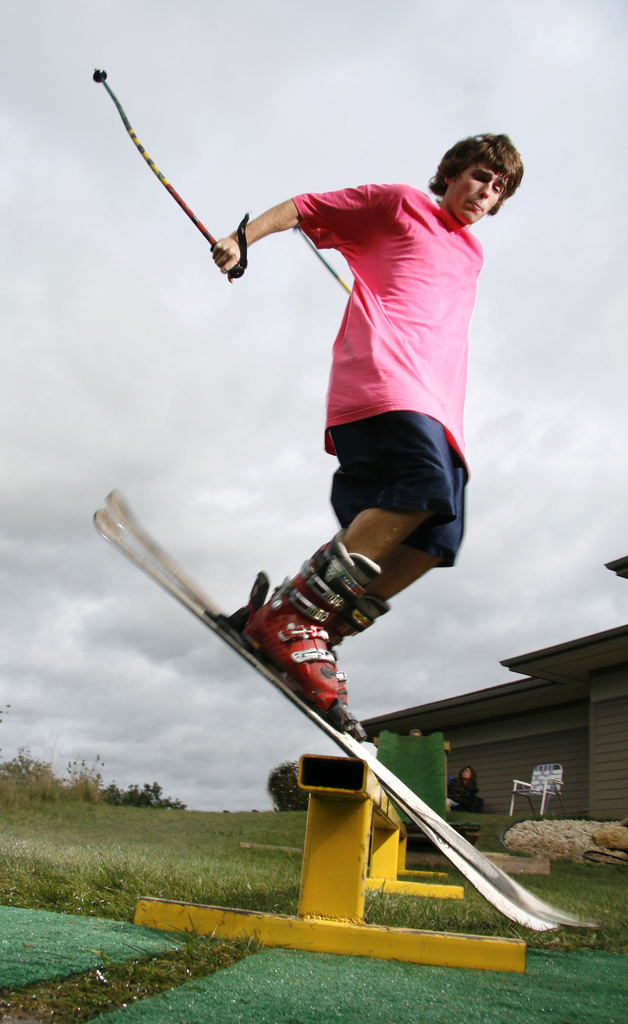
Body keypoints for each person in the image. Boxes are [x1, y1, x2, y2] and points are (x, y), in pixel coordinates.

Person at [212, 135, 523, 740]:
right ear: (453, 172)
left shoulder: (474, 254)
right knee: (421, 487)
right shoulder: (400, 203)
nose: (487, 193)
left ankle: (317, 633)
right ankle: (289, 619)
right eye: (481, 176)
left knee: (439, 538)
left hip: (439, 408)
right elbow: (305, 207)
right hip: (383, 380)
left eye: (499, 188)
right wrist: (239, 239)